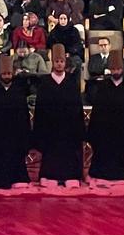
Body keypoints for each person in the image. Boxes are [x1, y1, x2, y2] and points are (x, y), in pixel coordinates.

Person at [86, 49, 124, 189]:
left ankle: (123, 178)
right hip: (105, 132)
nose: (116, 71)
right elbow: (97, 112)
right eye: (114, 69)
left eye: (118, 68)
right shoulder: (102, 87)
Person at [32, 45, 86, 188]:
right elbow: (39, 109)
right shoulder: (45, 83)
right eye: (57, 61)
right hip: (50, 129)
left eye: (62, 61)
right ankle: (49, 177)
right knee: (51, 155)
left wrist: (79, 129)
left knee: (69, 155)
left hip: (68, 130)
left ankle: (70, 176)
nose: (59, 64)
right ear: (52, 63)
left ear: (65, 62)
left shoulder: (71, 82)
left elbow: (78, 108)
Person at [0, 54, 31, 189]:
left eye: (9, 73)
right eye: (4, 73)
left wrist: (26, 140)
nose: (7, 76)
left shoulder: (19, 92)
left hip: (16, 138)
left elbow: (25, 119)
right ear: (0, 74)